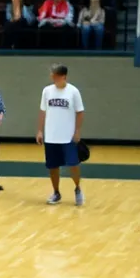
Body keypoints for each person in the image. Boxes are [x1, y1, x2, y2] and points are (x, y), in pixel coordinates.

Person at [37, 64, 85, 206]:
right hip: (51, 136)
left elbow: (80, 112)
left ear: (63, 76)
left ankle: (77, 188)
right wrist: (40, 130)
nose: (52, 77)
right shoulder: (47, 91)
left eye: (55, 75)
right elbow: (42, 111)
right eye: (52, 75)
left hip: (68, 136)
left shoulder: (73, 91)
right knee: (52, 166)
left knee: (73, 165)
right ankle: (56, 192)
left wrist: (77, 131)